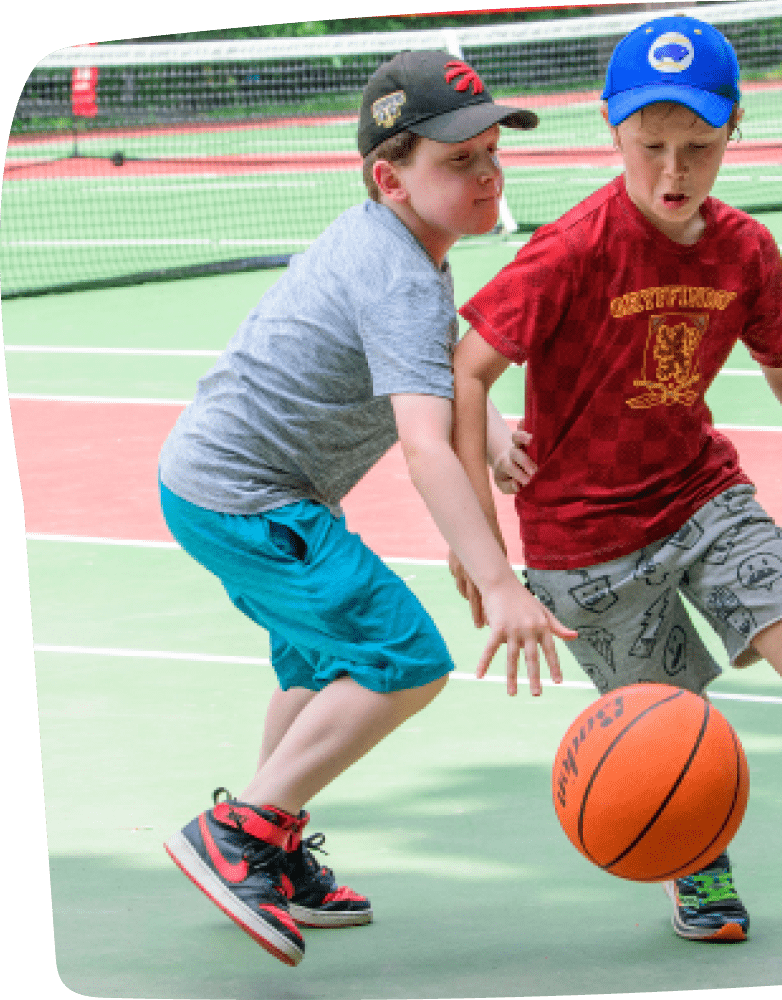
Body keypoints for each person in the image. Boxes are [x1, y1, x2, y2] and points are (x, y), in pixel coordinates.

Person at [449, 15, 782, 965]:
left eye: (698, 147)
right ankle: (696, 863)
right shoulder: (571, 251)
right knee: (670, 731)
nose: (673, 171)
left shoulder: (743, 250)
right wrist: (484, 543)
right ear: (612, 132)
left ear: (733, 129)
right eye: (650, 146)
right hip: (584, 538)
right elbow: (465, 372)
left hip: (702, 498)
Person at [158, 49, 575, 968]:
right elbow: (424, 447)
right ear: (391, 179)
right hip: (249, 497)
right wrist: (500, 582)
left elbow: (428, 370)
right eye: (458, 161)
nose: (488, 174)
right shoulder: (398, 269)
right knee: (406, 659)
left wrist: (493, 423)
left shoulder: (404, 250)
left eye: (492, 154)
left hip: (228, 488)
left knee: (315, 670)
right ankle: (236, 836)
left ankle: (267, 841)